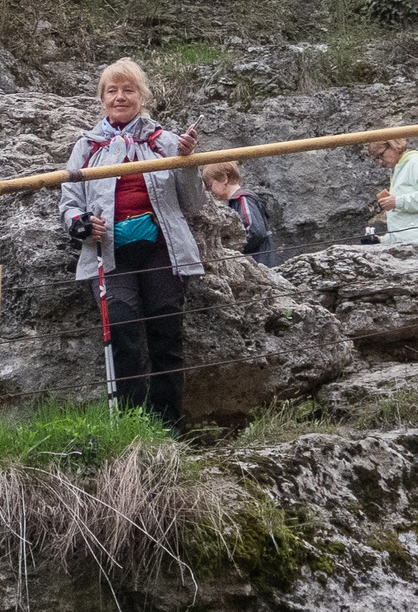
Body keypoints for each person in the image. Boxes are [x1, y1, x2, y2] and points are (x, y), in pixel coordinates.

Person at [61, 58, 204, 431]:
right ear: (102, 98)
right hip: (109, 251)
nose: (120, 97)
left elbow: (193, 204)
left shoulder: (167, 142)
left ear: (142, 96)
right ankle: (131, 431)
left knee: (166, 335)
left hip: (162, 249)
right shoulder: (87, 146)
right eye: (112, 91)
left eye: (128, 90)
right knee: (122, 333)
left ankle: (169, 427)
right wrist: (79, 224)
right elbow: (69, 202)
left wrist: (188, 162)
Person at [368, 138, 418, 245]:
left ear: (393, 146)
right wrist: (381, 241)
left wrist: (397, 202)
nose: (380, 161)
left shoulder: (416, 162)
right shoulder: (400, 170)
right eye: (376, 158)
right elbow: (409, 224)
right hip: (417, 241)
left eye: (381, 155)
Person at [200, 161, 281, 267]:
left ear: (224, 178)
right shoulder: (236, 202)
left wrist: (234, 251)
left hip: (259, 261)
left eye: (210, 186)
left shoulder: (243, 199)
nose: (210, 192)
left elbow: (255, 231)